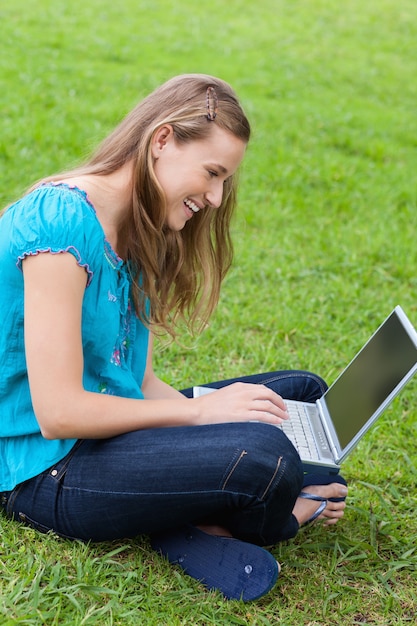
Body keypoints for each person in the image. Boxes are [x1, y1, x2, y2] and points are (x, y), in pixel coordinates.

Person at [0, 74, 347, 601]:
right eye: (212, 173)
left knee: (300, 390)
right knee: (268, 456)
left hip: (107, 436)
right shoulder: (60, 226)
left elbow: (139, 382)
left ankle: (178, 505)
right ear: (162, 140)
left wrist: (218, 411)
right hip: (40, 468)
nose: (215, 196)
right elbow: (58, 413)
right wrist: (200, 415)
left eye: (225, 180)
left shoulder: (140, 228)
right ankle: (271, 516)